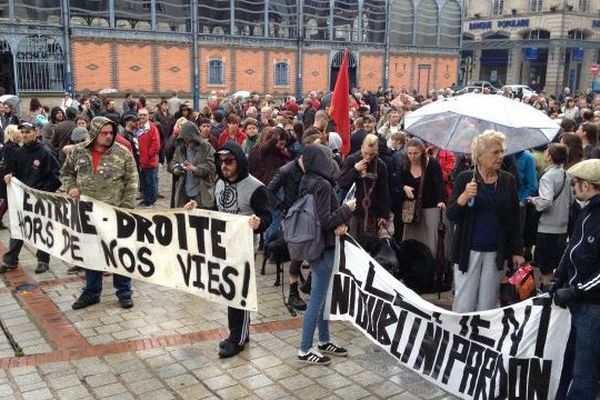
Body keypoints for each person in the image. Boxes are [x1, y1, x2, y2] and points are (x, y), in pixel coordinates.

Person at [60, 116, 138, 309]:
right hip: (88, 213)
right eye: (104, 133)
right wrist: (71, 187)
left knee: (119, 253)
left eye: (111, 133)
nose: (109, 136)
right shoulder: (78, 152)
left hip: (115, 214)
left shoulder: (123, 154)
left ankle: (124, 292)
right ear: (95, 133)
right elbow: (66, 173)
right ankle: (92, 292)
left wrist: (126, 209)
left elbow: (132, 181)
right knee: (91, 252)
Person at [447, 130, 524, 313]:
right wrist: (464, 196)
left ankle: (481, 338)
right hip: (468, 250)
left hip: (495, 252)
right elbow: (451, 214)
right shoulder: (465, 178)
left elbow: (514, 218)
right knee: (464, 302)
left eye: (502, 152)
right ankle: (462, 336)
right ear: (479, 155)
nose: (500, 156)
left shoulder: (508, 180)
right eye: (495, 152)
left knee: (487, 305)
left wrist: (517, 251)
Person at [297, 144, 356, 365]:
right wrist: (347, 209)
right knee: (317, 299)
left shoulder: (308, 181)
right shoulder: (321, 184)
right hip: (323, 248)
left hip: (315, 246)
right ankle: (305, 348)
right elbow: (326, 221)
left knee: (321, 297)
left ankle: (324, 340)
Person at [213, 142, 271, 358]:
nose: (224, 166)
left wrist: (259, 223)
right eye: (221, 162)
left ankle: (237, 337)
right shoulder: (219, 183)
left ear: (239, 160)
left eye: (229, 161)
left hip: (245, 247)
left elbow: (267, 215)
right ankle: (236, 332)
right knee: (230, 289)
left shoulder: (255, 187)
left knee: (241, 291)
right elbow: (215, 210)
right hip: (224, 245)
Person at [549, 159, 600, 399]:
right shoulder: (586, 211)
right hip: (578, 300)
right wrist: (558, 278)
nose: (573, 189)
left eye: (576, 184)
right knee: (566, 362)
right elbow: (573, 249)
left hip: (593, 306)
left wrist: (576, 291)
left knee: (584, 371)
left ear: (588, 186)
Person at [1, 122, 61, 274]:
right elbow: (15, 171)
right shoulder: (20, 152)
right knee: (18, 226)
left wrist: (41, 192)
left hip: (40, 199)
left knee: (41, 229)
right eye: (22, 132)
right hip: (23, 198)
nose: (25, 135)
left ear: (36, 132)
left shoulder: (45, 152)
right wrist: (10, 176)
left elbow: (56, 177)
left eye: (28, 132)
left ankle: (43, 260)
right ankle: (11, 260)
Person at [528, 143, 571, 284]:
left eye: (547, 153)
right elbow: (570, 200)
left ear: (551, 158)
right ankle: (554, 288)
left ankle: (546, 293)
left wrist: (534, 201)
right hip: (563, 225)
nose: (545, 154)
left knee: (545, 265)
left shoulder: (548, 177)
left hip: (547, 226)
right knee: (557, 262)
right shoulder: (566, 174)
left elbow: (546, 201)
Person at [397, 138, 444, 257]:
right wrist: (404, 187)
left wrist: (440, 201)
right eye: (410, 153)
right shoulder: (405, 165)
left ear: (422, 152)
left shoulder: (432, 164)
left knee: (430, 244)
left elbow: (439, 184)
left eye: (416, 153)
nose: (412, 156)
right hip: (411, 210)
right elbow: (396, 183)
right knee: (410, 244)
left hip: (430, 207)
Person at [339, 134, 390, 236]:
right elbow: (342, 183)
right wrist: (355, 170)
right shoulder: (351, 160)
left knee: (369, 247)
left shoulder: (380, 165)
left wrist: (384, 215)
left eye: (372, 154)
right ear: (361, 147)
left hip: (371, 213)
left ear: (377, 150)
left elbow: (384, 192)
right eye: (365, 153)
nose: (368, 157)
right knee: (352, 245)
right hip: (352, 212)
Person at [169, 121, 215, 209]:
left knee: (200, 220)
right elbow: (173, 162)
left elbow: (211, 167)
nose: (187, 143)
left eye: (189, 139)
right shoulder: (181, 147)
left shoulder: (206, 147)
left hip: (201, 191)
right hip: (184, 191)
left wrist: (195, 169)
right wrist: (176, 169)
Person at [136, 108, 161, 207]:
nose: (142, 117)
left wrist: (148, 155)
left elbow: (156, 145)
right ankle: (146, 199)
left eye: (144, 115)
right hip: (141, 160)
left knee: (151, 181)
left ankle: (151, 200)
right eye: (140, 115)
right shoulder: (138, 127)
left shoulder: (152, 128)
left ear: (148, 116)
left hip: (150, 161)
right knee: (144, 182)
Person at [0, 125, 22, 229]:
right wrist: (11, 174)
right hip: (9, 177)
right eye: (19, 133)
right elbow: (9, 164)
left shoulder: (12, 146)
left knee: (8, 200)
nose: (21, 135)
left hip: (9, 176)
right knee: (7, 200)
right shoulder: (10, 147)